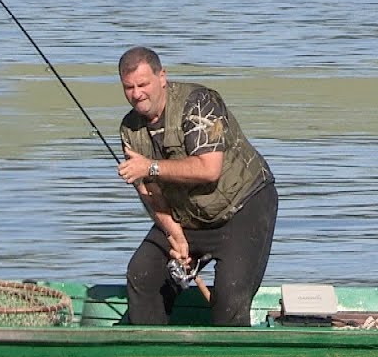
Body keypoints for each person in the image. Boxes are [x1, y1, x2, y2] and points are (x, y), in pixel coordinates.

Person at [114, 46, 278, 327]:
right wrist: (175, 234)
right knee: (141, 275)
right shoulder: (130, 130)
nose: (137, 94)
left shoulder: (200, 103)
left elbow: (208, 169)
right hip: (187, 217)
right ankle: (153, 355)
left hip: (243, 208)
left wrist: (150, 166)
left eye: (143, 84)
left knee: (228, 301)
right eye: (129, 87)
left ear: (162, 77)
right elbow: (149, 192)